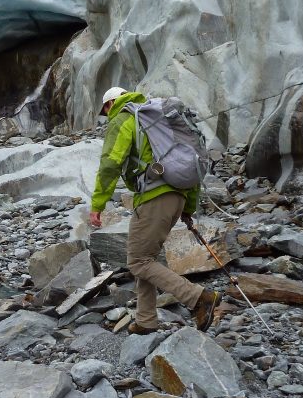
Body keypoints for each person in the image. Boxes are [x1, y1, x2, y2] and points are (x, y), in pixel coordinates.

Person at [89, 86, 220, 334]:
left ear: (110, 104)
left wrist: (98, 205)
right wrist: (187, 207)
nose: (107, 116)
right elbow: (190, 161)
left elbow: (111, 163)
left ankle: (198, 297)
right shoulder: (158, 122)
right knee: (145, 257)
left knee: (138, 261)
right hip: (177, 197)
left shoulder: (124, 118)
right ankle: (146, 320)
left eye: (106, 111)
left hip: (153, 197)